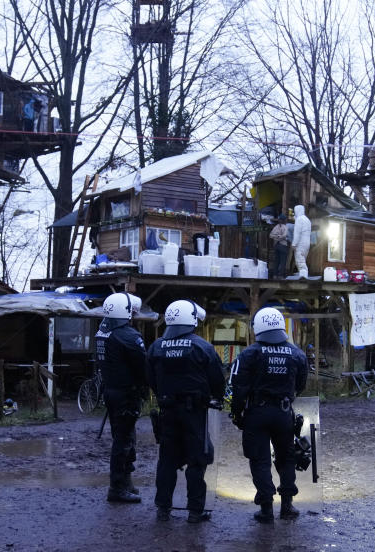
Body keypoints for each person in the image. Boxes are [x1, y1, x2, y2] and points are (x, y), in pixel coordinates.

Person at [147, 300, 225, 523]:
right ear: (191, 320)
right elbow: (217, 379)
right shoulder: (202, 346)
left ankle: (163, 508)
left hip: (167, 411)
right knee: (196, 460)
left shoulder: (156, 346)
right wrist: (215, 398)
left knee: (167, 460)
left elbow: (150, 378)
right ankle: (195, 511)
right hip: (195, 412)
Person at [230, 307, 309, 523]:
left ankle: (266, 510)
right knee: (287, 459)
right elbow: (300, 385)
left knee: (260, 460)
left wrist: (236, 414)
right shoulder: (297, 353)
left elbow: (237, 387)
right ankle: (287, 507)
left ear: (258, 328)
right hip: (284, 413)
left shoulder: (248, 354)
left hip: (256, 413)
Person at [95, 292, 148, 503]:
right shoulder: (128, 336)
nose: (133, 315)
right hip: (126, 392)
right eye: (131, 312)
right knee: (124, 441)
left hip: (111, 391)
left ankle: (125, 483)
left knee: (123, 437)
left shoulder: (102, 332)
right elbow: (143, 367)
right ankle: (118, 488)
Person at [291, 205, 312, 278]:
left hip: (301, 242)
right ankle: (301, 273)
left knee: (299, 260)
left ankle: (304, 275)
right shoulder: (307, 219)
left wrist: (294, 244)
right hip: (307, 242)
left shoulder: (299, 219)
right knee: (303, 259)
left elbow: (297, 233)